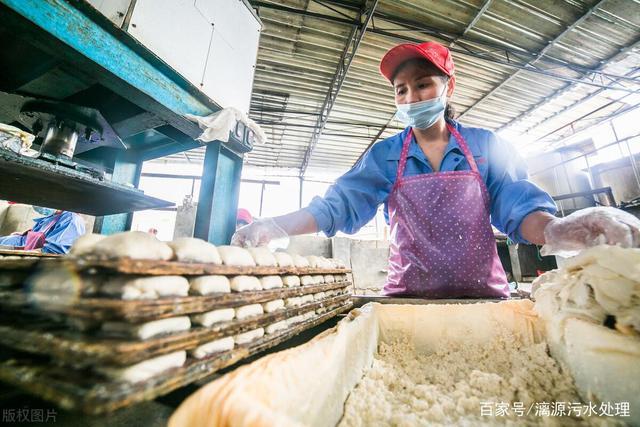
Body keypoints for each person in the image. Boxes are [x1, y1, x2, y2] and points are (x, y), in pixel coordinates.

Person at [232, 41, 640, 298]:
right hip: (409, 296)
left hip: (485, 295)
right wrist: (276, 225)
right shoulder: (386, 155)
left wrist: (556, 230)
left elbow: (517, 204)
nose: (412, 97)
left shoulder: (484, 146)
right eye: (401, 90)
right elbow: (337, 205)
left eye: (423, 84)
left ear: (449, 87)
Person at [0, 206, 85, 254]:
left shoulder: (70, 219)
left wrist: (18, 252)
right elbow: (41, 234)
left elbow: (54, 251)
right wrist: (25, 234)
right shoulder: (53, 216)